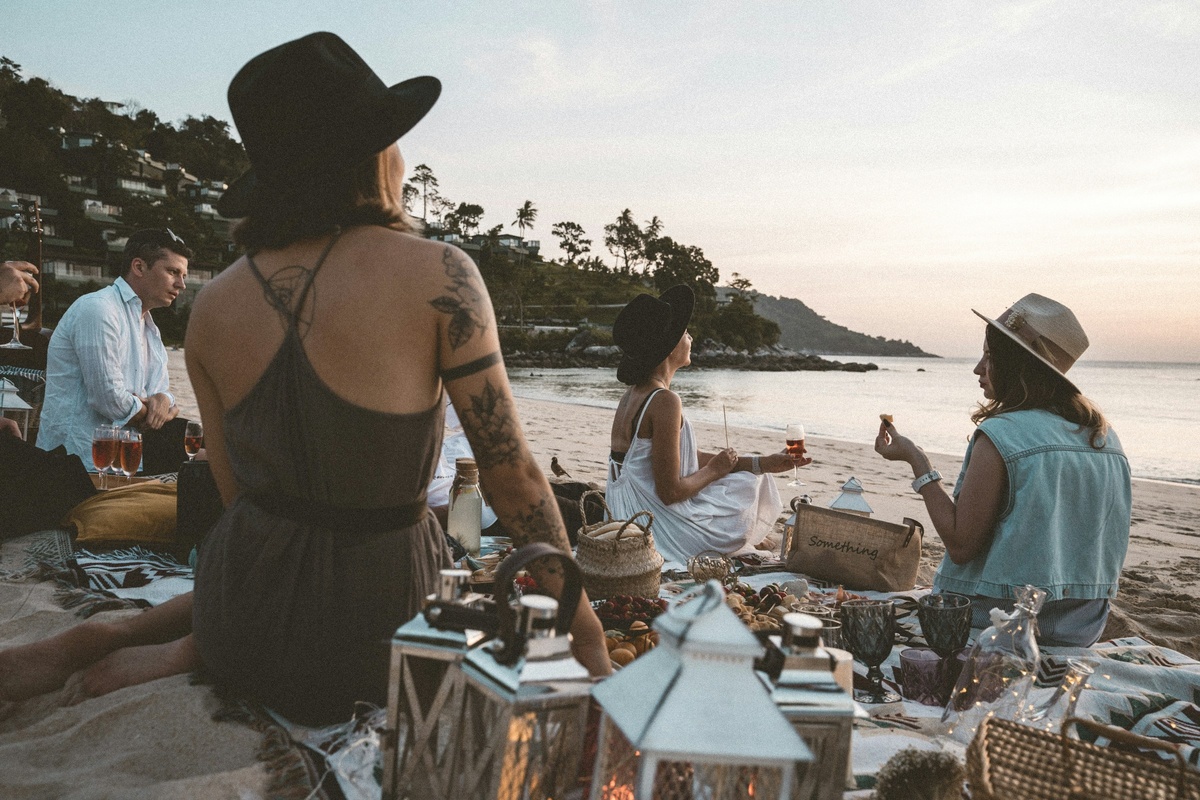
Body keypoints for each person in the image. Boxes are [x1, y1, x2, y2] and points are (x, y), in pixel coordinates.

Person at [0, 32, 608, 723]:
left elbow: (234, 493)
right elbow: (514, 478)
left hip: (243, 610)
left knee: (275, 544)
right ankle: (170, 643)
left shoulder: (214, 304)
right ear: (373, 156)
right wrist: (586, 634)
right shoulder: (441, 274)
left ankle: (128, 632)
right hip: (376, 631)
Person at [875, 293, 1131, 647]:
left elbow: (962, 545)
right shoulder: (1105, 439)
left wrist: (918, 463)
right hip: (1080, 628)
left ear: (1017, 366)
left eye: (990, 357)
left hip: (997, 623)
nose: (978, 368)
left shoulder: (1002, 435)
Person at [605, 285, 808, 564]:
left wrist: (762, 463)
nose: (691, 337)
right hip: (658, 528)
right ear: (670, 346)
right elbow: (670, 492)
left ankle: (756, 536)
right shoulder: (665, 401)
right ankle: (748, 541)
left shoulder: (633, 395)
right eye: (685, 333)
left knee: (754, 476)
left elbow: (678, 460)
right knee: (750, 487)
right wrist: (715, 470)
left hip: (627, 515)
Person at [37, 229, 192, 473]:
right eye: (173, 272)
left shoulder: (150, 329)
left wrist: (163, 399)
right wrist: (153, 414)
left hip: (123, 464)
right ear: (139, 267)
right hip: (74, 464)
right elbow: (109, 399)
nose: (181, 284)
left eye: (183, 275)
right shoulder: (99, 309)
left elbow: (158, 393)